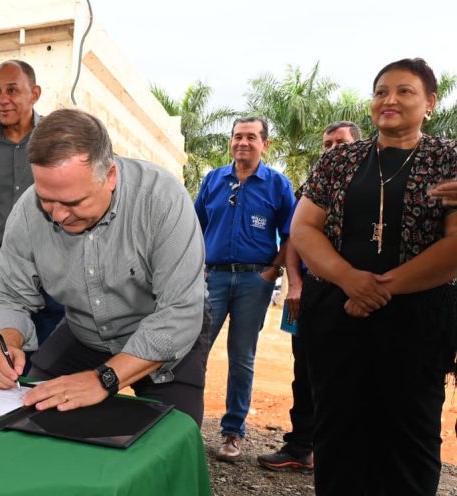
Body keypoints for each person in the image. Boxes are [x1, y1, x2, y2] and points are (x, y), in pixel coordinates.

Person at [291, 58, 457, 495]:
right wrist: (349, 279)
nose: (390, 100)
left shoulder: (448, 159)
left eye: (405, 91)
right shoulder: (339, 160)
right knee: (338, 427)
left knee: (410, 430)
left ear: (430, 103)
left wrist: (379, 289)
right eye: (381, 91)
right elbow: (303, 227)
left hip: (416, 317)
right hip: (336, 312)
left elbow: (455, 245)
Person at [0, 108, 211, 425]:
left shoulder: (161, 199)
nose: (57, 215)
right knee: (25, 415)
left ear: (110, 177)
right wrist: (6, 345)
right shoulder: (27, 212)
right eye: (47, 199)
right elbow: (10, 295)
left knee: (174, 440)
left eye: (73, 202)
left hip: (166, 336)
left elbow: (180, 312)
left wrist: (103, 379)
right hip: (84, 330)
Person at [257, 120, 361, 472]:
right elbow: (294, 240)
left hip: (355, 295)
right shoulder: (312, 187)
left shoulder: (371, 185)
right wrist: (296, 286)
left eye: (341, 143)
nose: (332, 149)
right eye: (327, 144)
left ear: (358, 146)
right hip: (311, 294)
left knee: (351, 372)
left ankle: (343, 449)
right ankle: (301, 446)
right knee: (305, 371)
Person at [194, 117, 295, 461]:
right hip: (214, 278)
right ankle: (185, 424)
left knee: (242, 358)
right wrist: (199, 270)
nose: (243, 142)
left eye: (251, 137)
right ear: (231, 141)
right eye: (238, 136)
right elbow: (194, 227)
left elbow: (293, 233)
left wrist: (273, 271)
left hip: (256, 281)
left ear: (264, 143)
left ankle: (233, 432)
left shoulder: (278, 185)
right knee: (196, 351)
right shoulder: (213, 180)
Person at [0, 60, 64, 368]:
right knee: (8, 339)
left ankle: (48, 399)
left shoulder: (57, 136)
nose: (1, 99)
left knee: (55, 339)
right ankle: (12, 408)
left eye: (12, 90)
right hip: (3, 257)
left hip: (57, 253)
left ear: (34, 94)